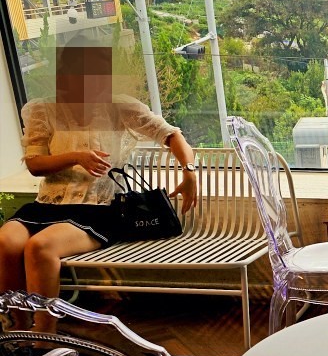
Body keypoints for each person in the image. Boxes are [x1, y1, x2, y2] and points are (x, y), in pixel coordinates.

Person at [0, 28, 198, 323]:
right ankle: (18, 331)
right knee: (5, 241)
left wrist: (189, 173)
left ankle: (44, 341)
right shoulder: (43, 110)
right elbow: (35, 164)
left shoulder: (118, 106)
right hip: (48, 203)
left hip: (99, 207)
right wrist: (75, 157)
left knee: (40, 247)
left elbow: (171, 135)